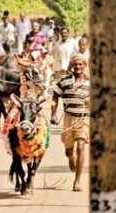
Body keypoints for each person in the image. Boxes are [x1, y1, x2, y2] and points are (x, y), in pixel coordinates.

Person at [51, 54, 90, 192]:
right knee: (69, 149)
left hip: (84, 118)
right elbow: (55, 95)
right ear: (72, 66)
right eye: (75, 64)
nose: (78, 67)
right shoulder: (65, 81)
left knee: (81, 146)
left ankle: (77, 181)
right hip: (68, 118)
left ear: (85, 66)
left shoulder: (90, 83)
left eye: (81, 64)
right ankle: (70, 157)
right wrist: (53, 114)